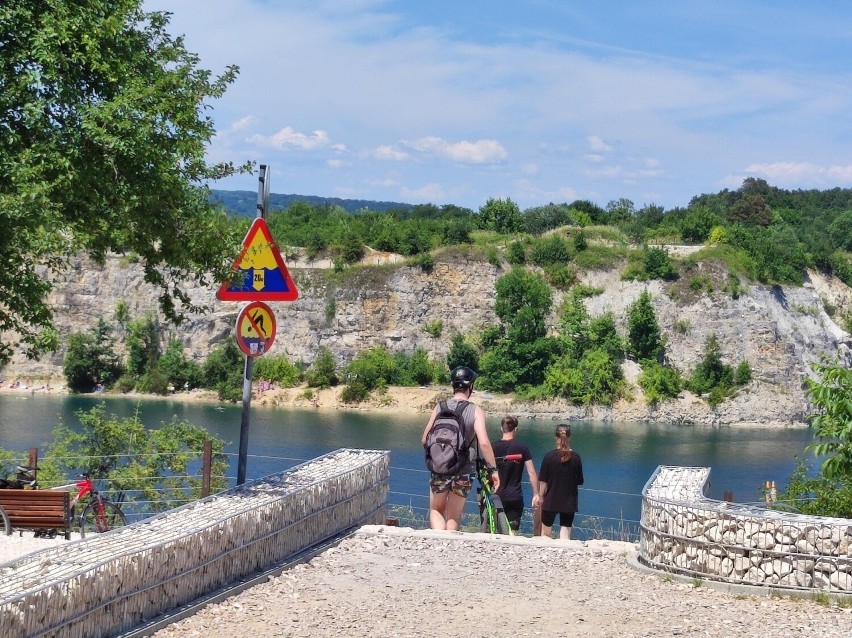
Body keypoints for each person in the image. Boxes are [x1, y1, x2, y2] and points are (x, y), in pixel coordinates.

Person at [421, 366, 500, 531]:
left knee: (436, 510)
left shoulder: (440, 407)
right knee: (454, 516)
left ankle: (438, 546)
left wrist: (439, 456)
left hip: (440, 469)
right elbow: (484, 443)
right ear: (470, 386)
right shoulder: (475, 410)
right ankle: (448, 548)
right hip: (463, 470)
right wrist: (493, 470)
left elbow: (424, 439)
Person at [492, 415, 540, 533]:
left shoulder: (492, 447)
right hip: (515, 495)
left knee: (496, 530)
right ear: (516, 429)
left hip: (496, 494)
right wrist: (536, 493)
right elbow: (532, 472)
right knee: (513, 531)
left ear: (501, 429)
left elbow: (486, 470)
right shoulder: (522, 447)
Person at [538, 423, 584, 540]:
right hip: (569, 501)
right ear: (570, 437)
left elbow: (543, 481)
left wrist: (540, 496)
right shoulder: (576, 457)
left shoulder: (549, 456)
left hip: (550, 500)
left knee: (545, 534)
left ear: (556, 437)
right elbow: (579, 481)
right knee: (565, 535)